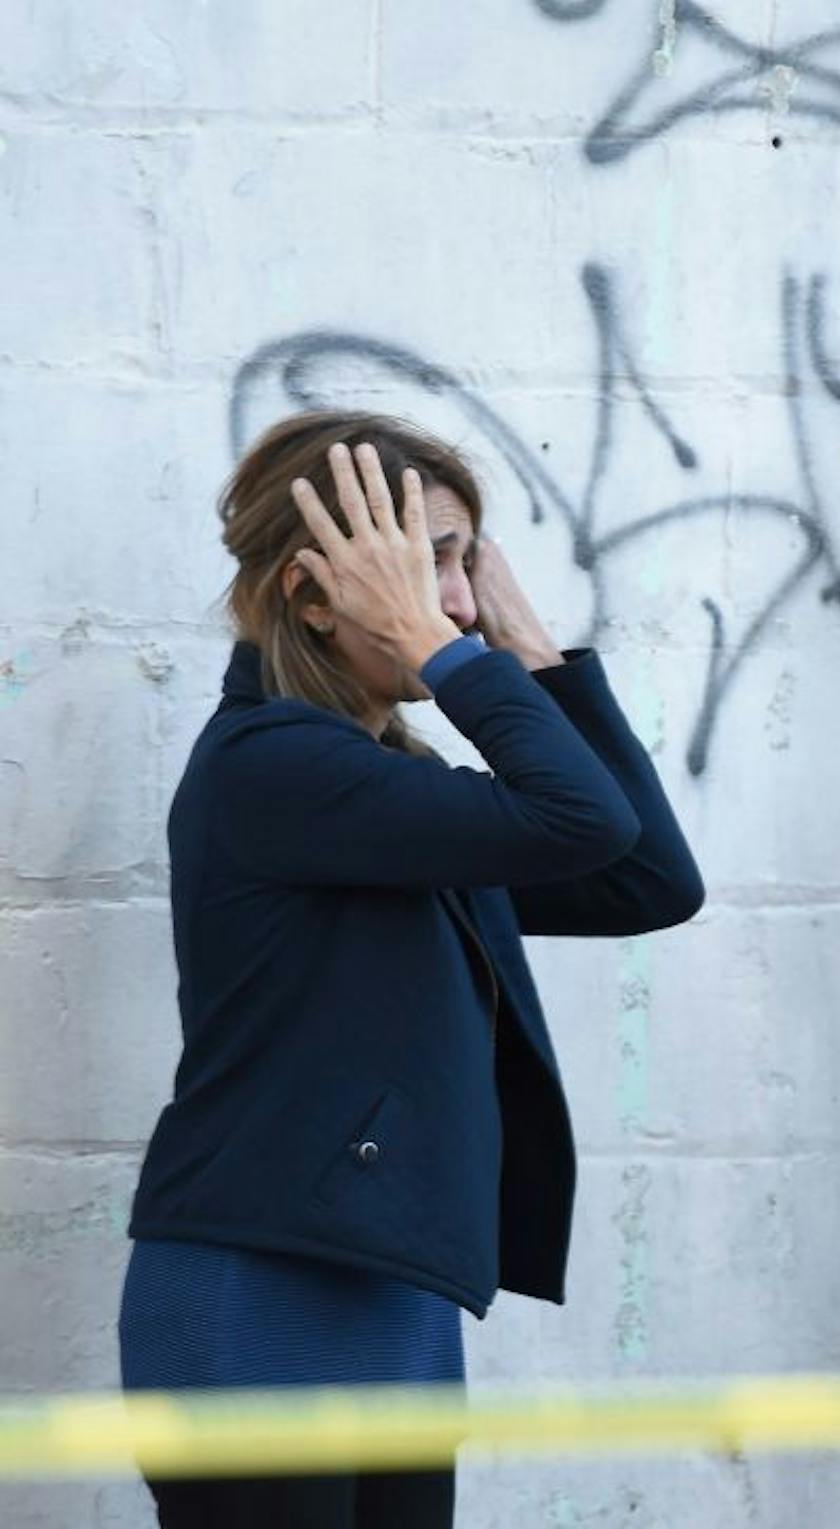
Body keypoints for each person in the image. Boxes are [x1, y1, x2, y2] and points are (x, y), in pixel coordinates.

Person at [120, 413, 705, 1528]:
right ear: (313, 590)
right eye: (426, 559)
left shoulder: (391, 788)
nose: (462, 601)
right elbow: (577, 816)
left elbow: (646, 879)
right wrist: (452, 655)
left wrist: (536, 654)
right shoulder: (275, 769)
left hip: (389, 1289)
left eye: (465, 561)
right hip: (261, 1290)